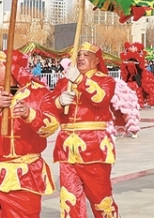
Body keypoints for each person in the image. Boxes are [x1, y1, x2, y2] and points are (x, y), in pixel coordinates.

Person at [0, 51, 60, 218]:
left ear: (13, 68)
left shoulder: (39, 92)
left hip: (25, 174)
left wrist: (30, 114)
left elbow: (51, 126)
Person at [52, 42, 120, 218]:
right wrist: (59, 101)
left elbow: (101, 98)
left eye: (86, 55)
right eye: (78, 55)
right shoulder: (63, 82)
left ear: (97, 60)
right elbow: (48, 109)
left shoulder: (106, 80)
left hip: (94, 146)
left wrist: (80, 80)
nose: (80, 58)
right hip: (66, 148)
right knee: (69, 199)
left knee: (101, 199)